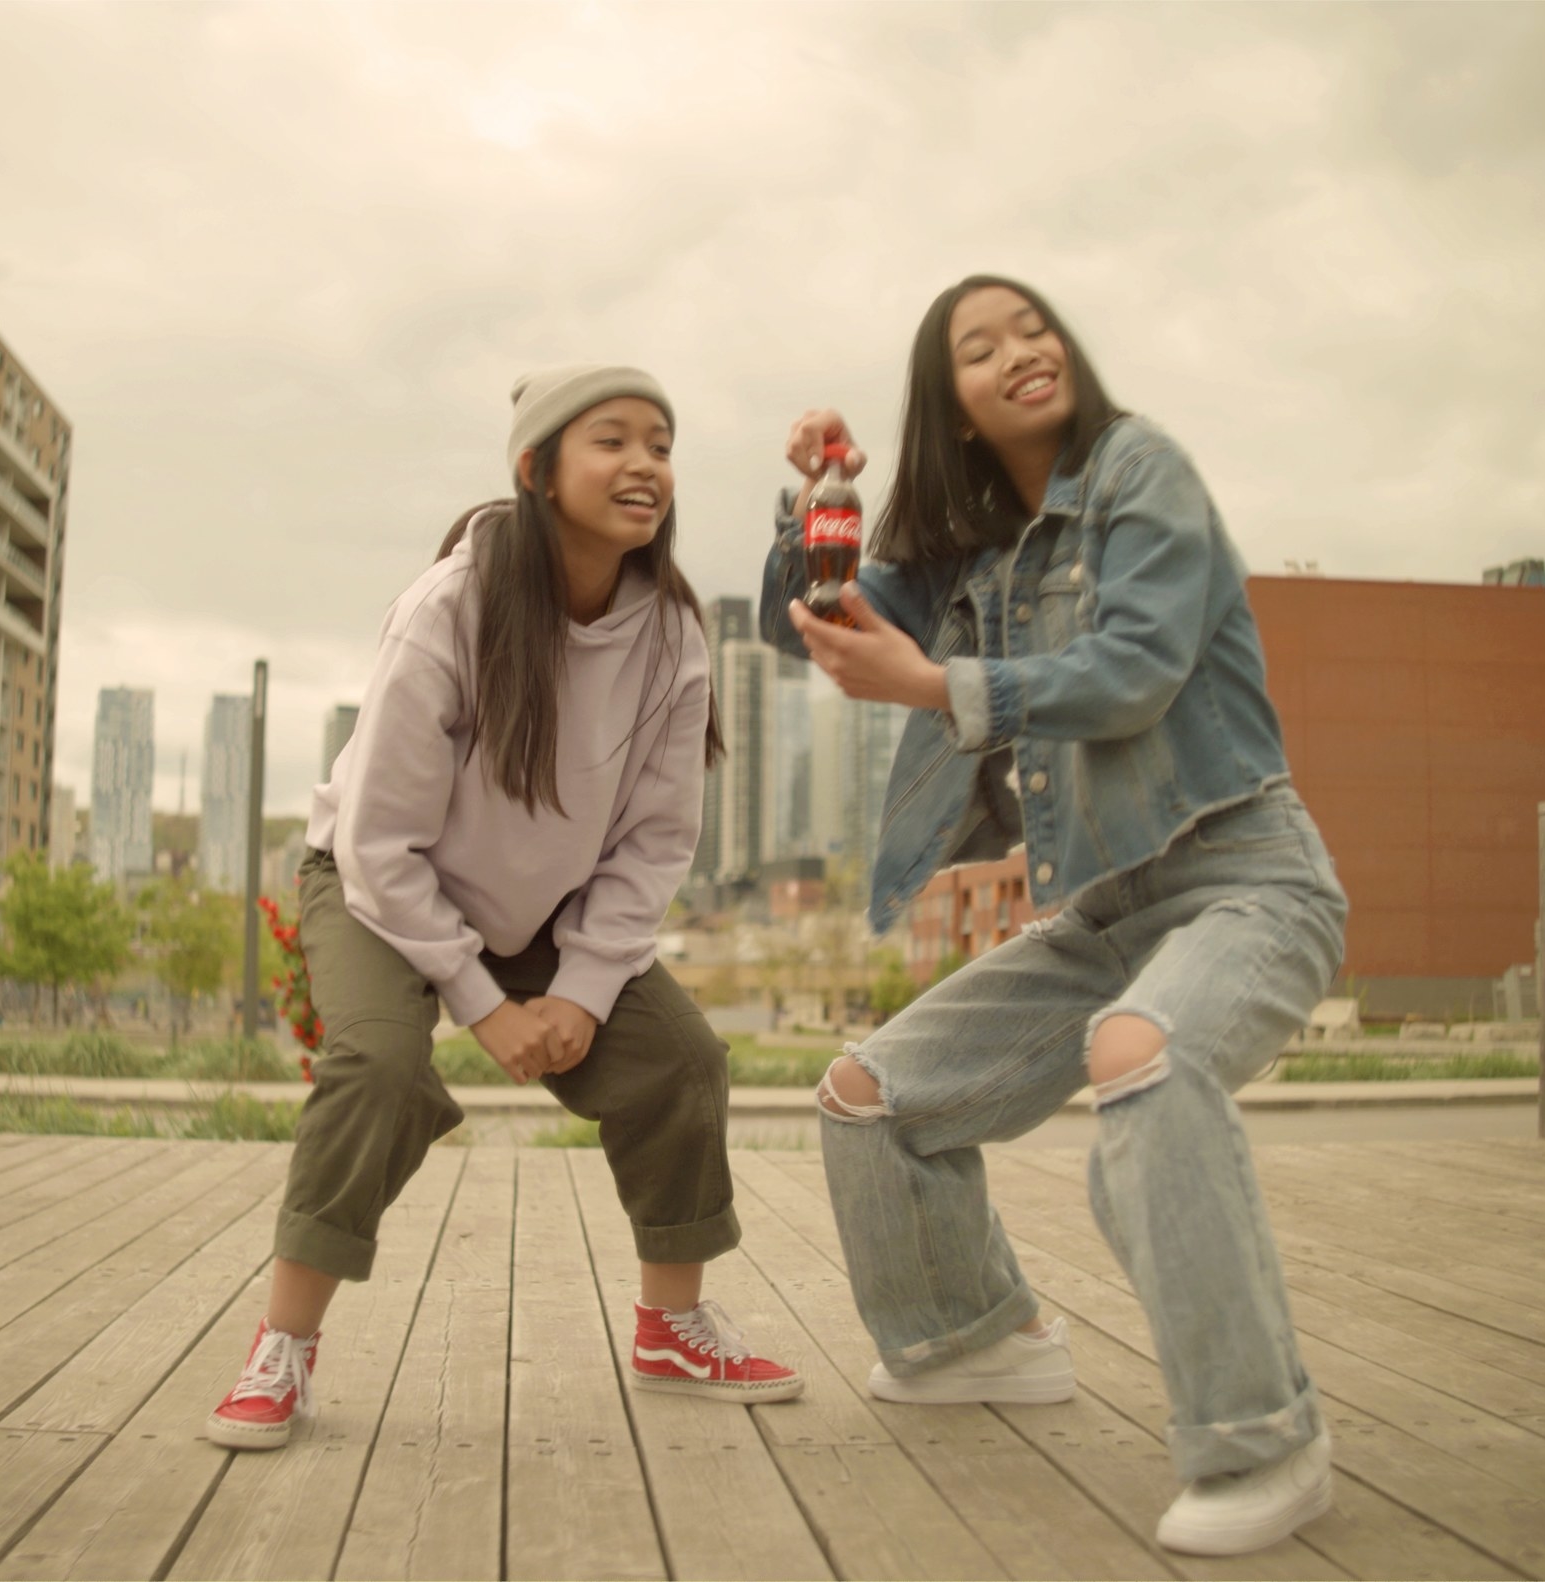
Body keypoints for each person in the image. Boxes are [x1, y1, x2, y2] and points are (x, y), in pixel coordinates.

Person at [761, 277, 1348, 1557]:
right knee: (870, 1093)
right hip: (1101, 912)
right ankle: (980, 1336)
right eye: (981, 348)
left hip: (1245, 873)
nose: (1021, 352)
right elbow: (805, 624)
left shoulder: (1143, 473)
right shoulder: (965, 550)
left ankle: (1264, 1438)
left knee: (1141, 1053)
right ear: (952, 405)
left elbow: (1134, 669)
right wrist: (816, 505)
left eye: (1032, 328)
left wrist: (941, 683)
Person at [208, 365, 803, 1452]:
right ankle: (283, 1343)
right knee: (379, 1068)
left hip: (548, 908)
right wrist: (482, 1004)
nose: (644, 465)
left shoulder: (672, 636)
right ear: (536, 471)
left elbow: (656, 838)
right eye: (611, 441)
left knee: (682, 1060)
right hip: (379, 889)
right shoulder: (452, 606)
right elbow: (380, 842)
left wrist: (579, 989)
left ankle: (672, 1327)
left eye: (661, 445)